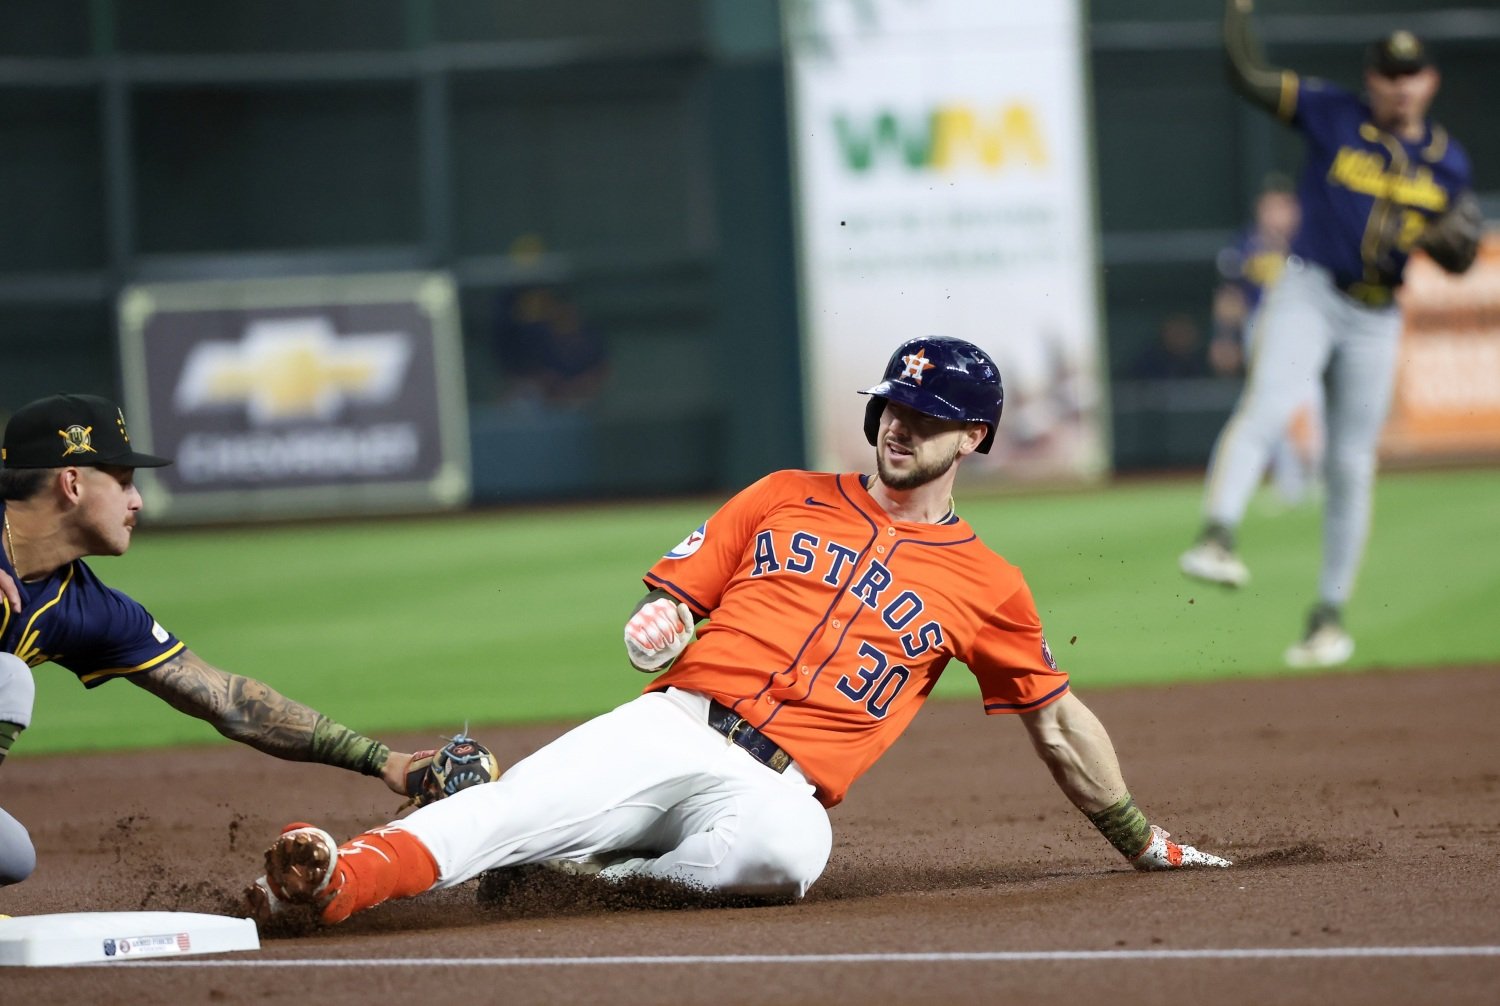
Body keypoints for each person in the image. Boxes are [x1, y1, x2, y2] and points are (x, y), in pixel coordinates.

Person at [243, 335, 1229, 928]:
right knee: (496, 812)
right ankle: (335, 881)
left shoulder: (989, 583)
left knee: (787, 856)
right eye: (892, 406)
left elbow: (1056, 722)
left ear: (976, 436)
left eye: (926, 417)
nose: (898, 426)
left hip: (780, 784)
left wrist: (1141, 838)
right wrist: (664, 614)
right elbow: (679, 597)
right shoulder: (782, 495)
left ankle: (594, 878)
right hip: (672, 721)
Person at [0, 393, 429, 888]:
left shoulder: (91, 610)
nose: (137, 500)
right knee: (8, 677)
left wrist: (384, 761)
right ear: (72, 482)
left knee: (12, 857)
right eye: (122, 482)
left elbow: (231, 702)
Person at [1180, 1, 1482, 668]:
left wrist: (1450, 243)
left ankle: (1328, 618)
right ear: (1370, 80)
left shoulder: (1448, 162)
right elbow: (1247, 73)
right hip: (1310, 289)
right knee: (1269, 404)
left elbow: (1460, 254)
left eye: (1411, 74)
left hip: (1378, 314)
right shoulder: (1331, 111)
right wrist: (1236, 12)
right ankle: (1217, 535)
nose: (1399, 85)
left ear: (1429, 81)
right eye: (1387, 74)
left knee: (1351, 465)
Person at [1210, 179, 1322, 508]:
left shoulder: (1309, 242)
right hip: (1260, 326)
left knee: (1311, 400)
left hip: (1306, 326)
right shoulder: (1243, 245)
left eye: (1282, 207)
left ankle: (1316, 476)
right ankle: (1288, 483)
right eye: (1269, 207)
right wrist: (1224, 337)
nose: (1275, 215)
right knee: (1270, 405)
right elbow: (1230, 296)